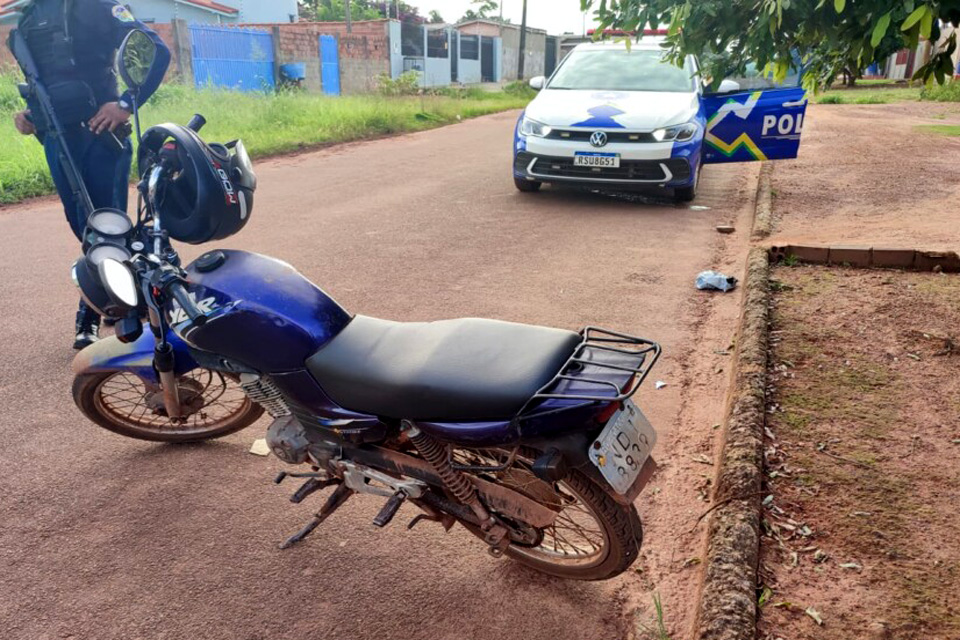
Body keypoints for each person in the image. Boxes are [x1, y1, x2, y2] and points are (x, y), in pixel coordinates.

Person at [9, 0, 170, 349]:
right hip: (57, 141)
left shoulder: (96, 5)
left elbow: (155, 49)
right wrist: (30, 115)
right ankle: (119, 293)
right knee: (82, 226)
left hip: (100, 137)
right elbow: (48, 81)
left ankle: (93, 313)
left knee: (105, 228)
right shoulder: (29, 15)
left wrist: (126, 104)